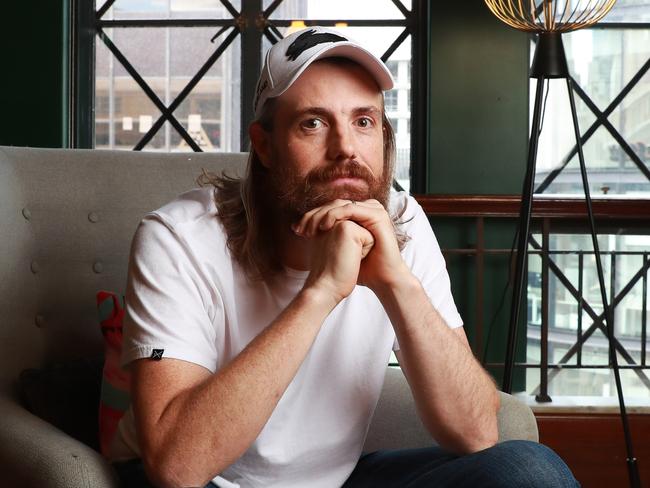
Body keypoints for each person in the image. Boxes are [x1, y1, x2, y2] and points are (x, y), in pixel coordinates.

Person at [110, 27, 579, 488]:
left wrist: (396, 283)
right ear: (265, 144)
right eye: (312, 123)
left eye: (363, 121)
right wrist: (321, 292)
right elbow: (177, 467)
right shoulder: (179, 237)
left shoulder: (400, 222)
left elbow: (476, 432)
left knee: (527, 470)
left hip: (335, 480)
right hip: (203, 479)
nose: (346, 149)